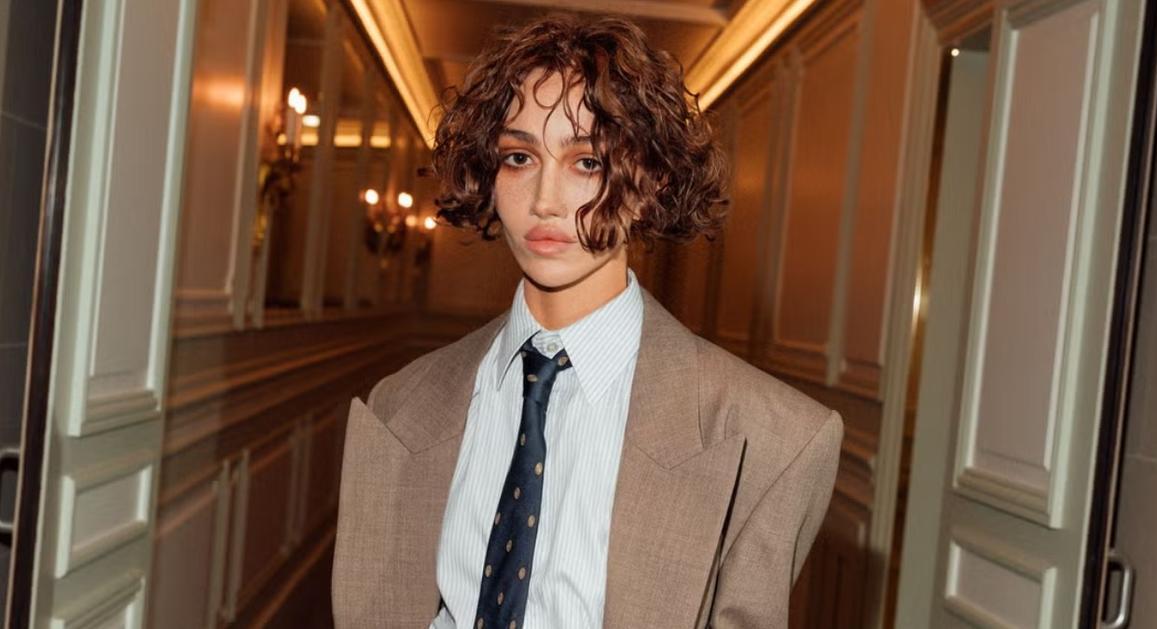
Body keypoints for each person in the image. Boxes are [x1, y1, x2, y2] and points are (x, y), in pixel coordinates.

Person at [332, 13, 843, 629]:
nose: (545, 201)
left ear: (650, 182)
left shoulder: (775, 441)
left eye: (588, 162)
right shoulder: (398, 407)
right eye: (519, 157)